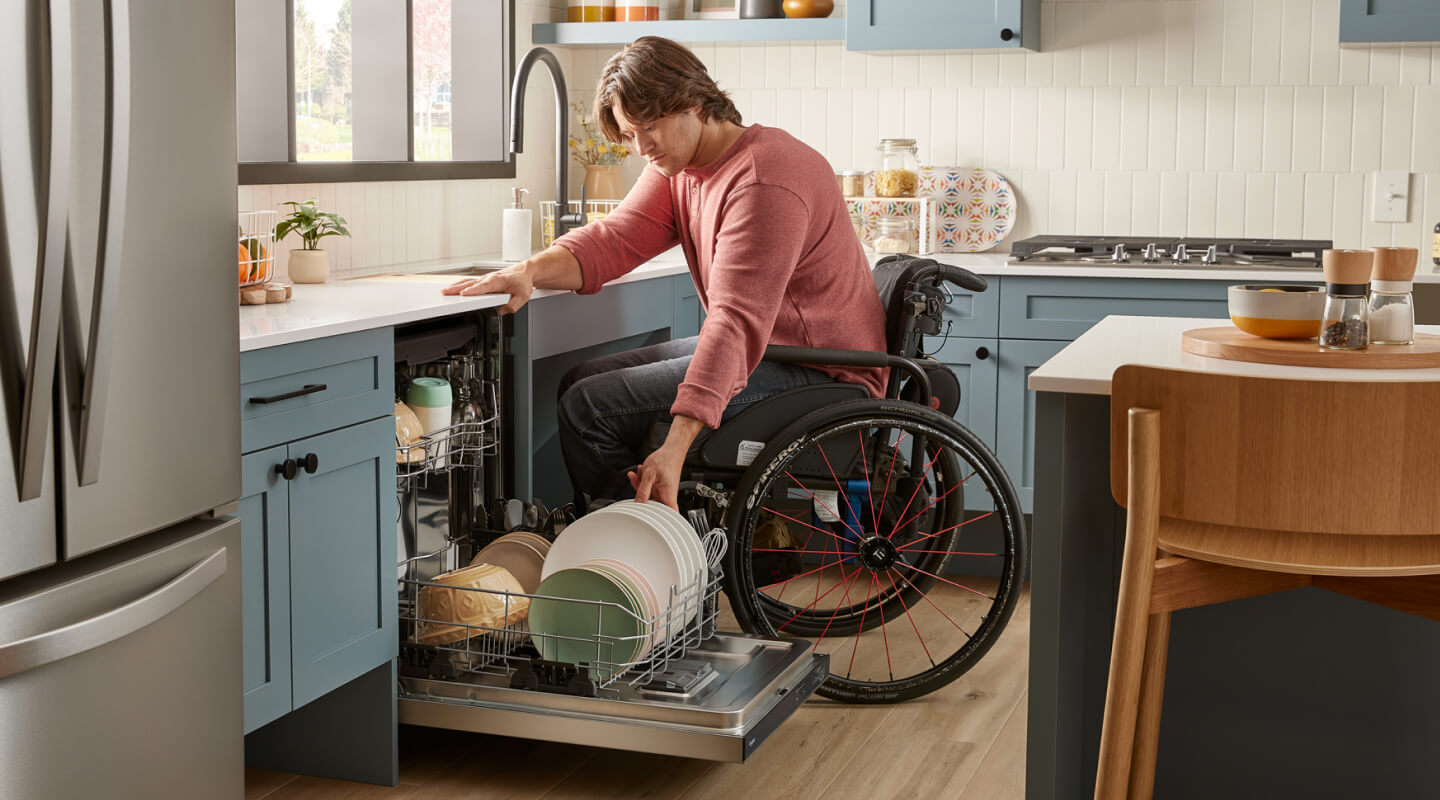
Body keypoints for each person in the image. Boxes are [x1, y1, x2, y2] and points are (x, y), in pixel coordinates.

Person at [443, 36, 887, 511]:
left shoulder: (763, 179)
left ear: (693, 101)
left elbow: (734, 323)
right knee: (579, 382)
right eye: (630, 134)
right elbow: (618, 238)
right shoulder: (682, 166)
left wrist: (673, 450)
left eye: (648, 127)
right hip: (774, 352)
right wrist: (528, 271)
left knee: (588, 409)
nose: (640, 147)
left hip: (820, 371)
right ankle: (645, 540)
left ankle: (640, 550)